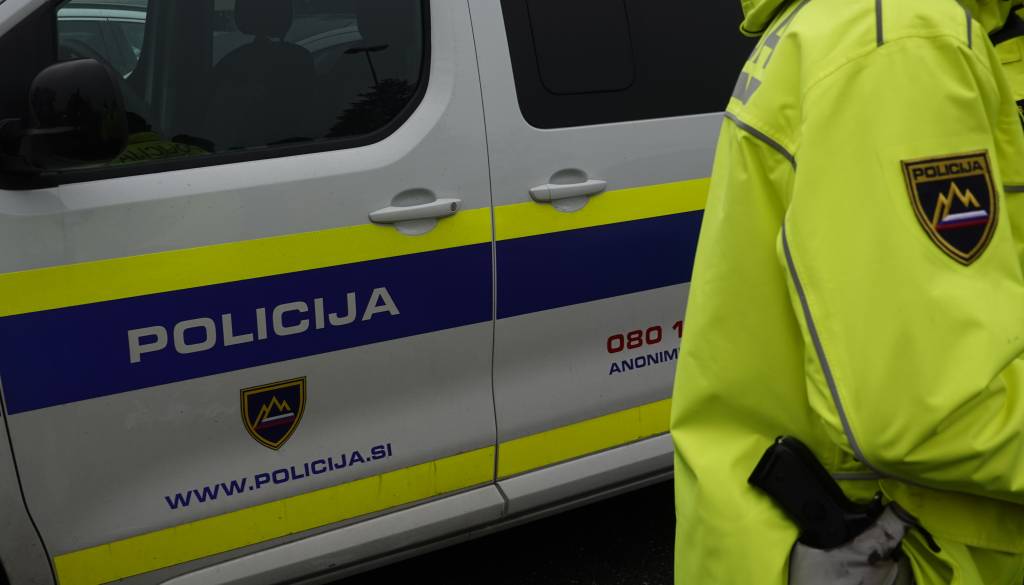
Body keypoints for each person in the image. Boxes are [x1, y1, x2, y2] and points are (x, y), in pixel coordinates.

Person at [671, 0, 1024, 583]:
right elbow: (928, 408)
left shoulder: (852, 25)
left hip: (789, 538)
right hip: (904, 550)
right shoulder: (901, 39)